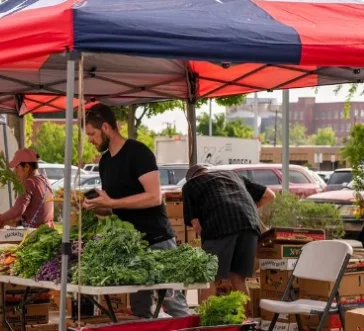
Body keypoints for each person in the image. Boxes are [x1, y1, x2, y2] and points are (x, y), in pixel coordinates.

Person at [82, 104, 189, 318]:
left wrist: (111, 202)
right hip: (133, 247)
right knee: (140, 311)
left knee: (173, 306)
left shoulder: (138, 152)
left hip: (158, 241)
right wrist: (95, 206)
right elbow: (115, 205)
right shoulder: (104, 163)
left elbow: (154, 196)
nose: (90, 140)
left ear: (105, 127)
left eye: (92, 134)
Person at [183, 164, 275, 300]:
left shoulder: (190, 185)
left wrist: (207, 242)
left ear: (191, 177)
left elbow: (196, 224)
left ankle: (206, 320)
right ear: (207, 171)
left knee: (210, 279)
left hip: (219, 225)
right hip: (249, 224)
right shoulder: (233, 176)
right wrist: (246, 210)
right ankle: (243, 319)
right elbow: (269, 195)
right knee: (239, 278)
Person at [0, 148, 54, 229]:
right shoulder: (45, 180)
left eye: (17, 167)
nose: (14, 172)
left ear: (27, 167)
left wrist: (0, 219)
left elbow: (18, 209)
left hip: (35, 233)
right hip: (48, 229)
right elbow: (36, 206)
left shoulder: (29, 183)